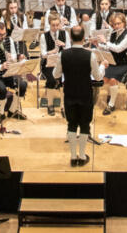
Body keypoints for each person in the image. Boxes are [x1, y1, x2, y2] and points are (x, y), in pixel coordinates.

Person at [53, 26, 108, 166]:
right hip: (85, 94)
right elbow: (97, 77)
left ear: (71, 38)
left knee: (71, 124)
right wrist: (102, 66)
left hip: (69, 93)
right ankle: (82, 157)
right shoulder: (90, 55)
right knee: (84, 124)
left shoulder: (63, 54)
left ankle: (73, 157)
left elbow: (56, 74)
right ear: (84, 38)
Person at [95, 13, 127, 115]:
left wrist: (105, 41)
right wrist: (98, 45)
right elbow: (109, 48)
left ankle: (111, 105)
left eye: (119, 23)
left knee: (113, 80)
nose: (117, 26)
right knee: (103, 79)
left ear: (124, 23)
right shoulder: (113, 33)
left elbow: (118, 49)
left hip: (126, 64)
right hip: (114, 62)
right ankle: (111, 93)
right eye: (114, 24)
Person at [40, 13, 71, 115]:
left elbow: (69, 50)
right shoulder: (44, 36)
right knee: (52, 80)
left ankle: (63, 107)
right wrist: (51, 52)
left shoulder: (64, 33)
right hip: (48, 64)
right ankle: (50, 105)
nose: (55, 27)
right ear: (49, 24)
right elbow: (43, 54)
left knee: (64, 80)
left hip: (62, 63)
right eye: (53, 25)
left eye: (57, 25)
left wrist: (64, 45)